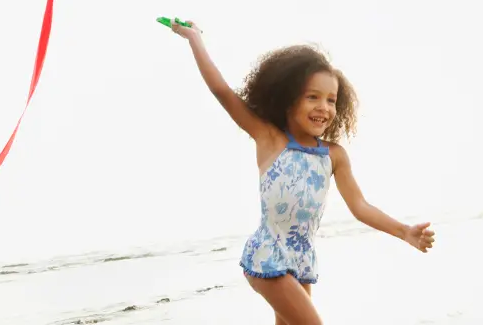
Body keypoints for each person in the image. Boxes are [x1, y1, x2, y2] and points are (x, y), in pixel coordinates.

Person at [169, 21, 435, 325]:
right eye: (313, 97)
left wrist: (404, 232)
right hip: (267, 257)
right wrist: (194, 38)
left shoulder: (334, 155)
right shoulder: (270, 138)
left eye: (331, 100)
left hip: (300, 261)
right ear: (288, 98)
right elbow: (220, 89)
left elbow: (360, 206)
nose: (323, 107)